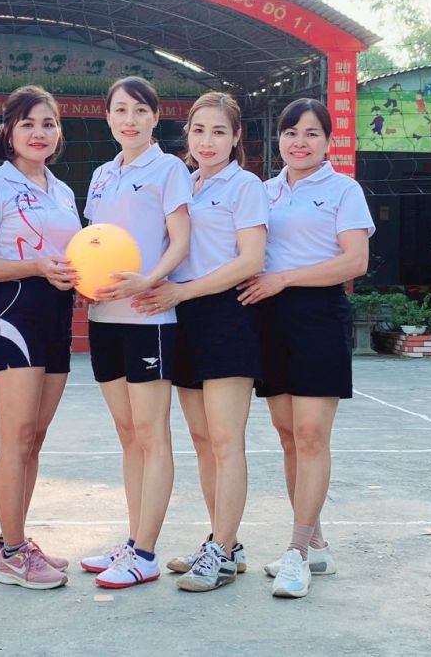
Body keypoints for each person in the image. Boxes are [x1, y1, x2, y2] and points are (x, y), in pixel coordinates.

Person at [237, 98, 374, 598]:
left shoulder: (344, 190)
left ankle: (296, 552)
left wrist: (285, 279)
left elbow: (355, 261)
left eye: (312, 133)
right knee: (288, 436)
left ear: (328, 142)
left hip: (318, 316)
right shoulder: (263, 191)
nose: (300, 142)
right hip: (270, 319)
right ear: (279, 139)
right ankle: (316, 546)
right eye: (292, 132)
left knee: (312, 434)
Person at [133, 92, 267, 592]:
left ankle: (221, 551)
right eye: (198, 130)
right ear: (186, 135)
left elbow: (251, 259)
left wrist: (182, 291)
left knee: (227, 441)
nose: (207, 141)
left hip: (226, 315)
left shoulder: (245, 185)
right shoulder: (184, 183)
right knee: (203, 441)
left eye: (218, 132)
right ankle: (224, 543)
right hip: (181, 316)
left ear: (236, 138)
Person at [0, 85, 81, 590]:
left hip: (57, 314)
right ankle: (13, 553)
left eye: (49, 123)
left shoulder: (63, 191)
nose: (39, 132)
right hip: (16, 313)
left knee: (35, 437)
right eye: (28, 123)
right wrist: (35, 267)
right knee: (16, 438)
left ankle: (12, 541)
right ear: (8, 132)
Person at [78, 76, 192, 589]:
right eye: (121, 110)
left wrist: (150, 280)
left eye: (140, 110)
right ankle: (132, 539)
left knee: (151, 435)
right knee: (128, 436)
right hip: (105, 319)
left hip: (149, 318)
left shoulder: (169, 170)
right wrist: (84, 285)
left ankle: (145, 552)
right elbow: (93, 244)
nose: (130, 120)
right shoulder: (101, 175)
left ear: (155, 117)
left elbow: (180, 242)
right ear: (108, 117)